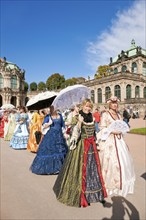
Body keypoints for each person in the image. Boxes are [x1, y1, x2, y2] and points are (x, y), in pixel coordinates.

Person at [53, 98, 107, 208]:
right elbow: (73, 135)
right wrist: (79, 123)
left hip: (92, 148)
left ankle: (93, 194)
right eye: (86, 106)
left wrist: (98, 140)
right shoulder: (77, 117)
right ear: (82, 106)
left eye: (89, 107)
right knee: (80, 171)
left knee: (92, 171)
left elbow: (94, 132)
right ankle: (80, 195)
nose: (88, 108)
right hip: (81, 147)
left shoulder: (91, 117)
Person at [97, 96, 135, 197]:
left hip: (119, 140)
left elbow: (121, 125)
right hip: (109, 141)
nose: (115, 105)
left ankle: (119, 183)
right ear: (109, 104)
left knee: (122, 161)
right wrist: (112, 131)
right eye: (113, 103)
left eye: (116, 103)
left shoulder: (118, 114)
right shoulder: (105, 114)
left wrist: (122, 131)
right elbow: (102, 128)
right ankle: (109, 185)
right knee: (110, 162)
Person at [30, 105, 68, 175]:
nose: (52, 109)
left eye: (53, 108)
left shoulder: (60, 115)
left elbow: (63, 125)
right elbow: (43, 126)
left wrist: (64, 133)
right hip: (50, 136)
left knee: (60, 151)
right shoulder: (48, 117)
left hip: (59, 136)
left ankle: (59, 168)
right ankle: (51, 169)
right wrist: (48, 124)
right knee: (50, 151)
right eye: (51, 108)